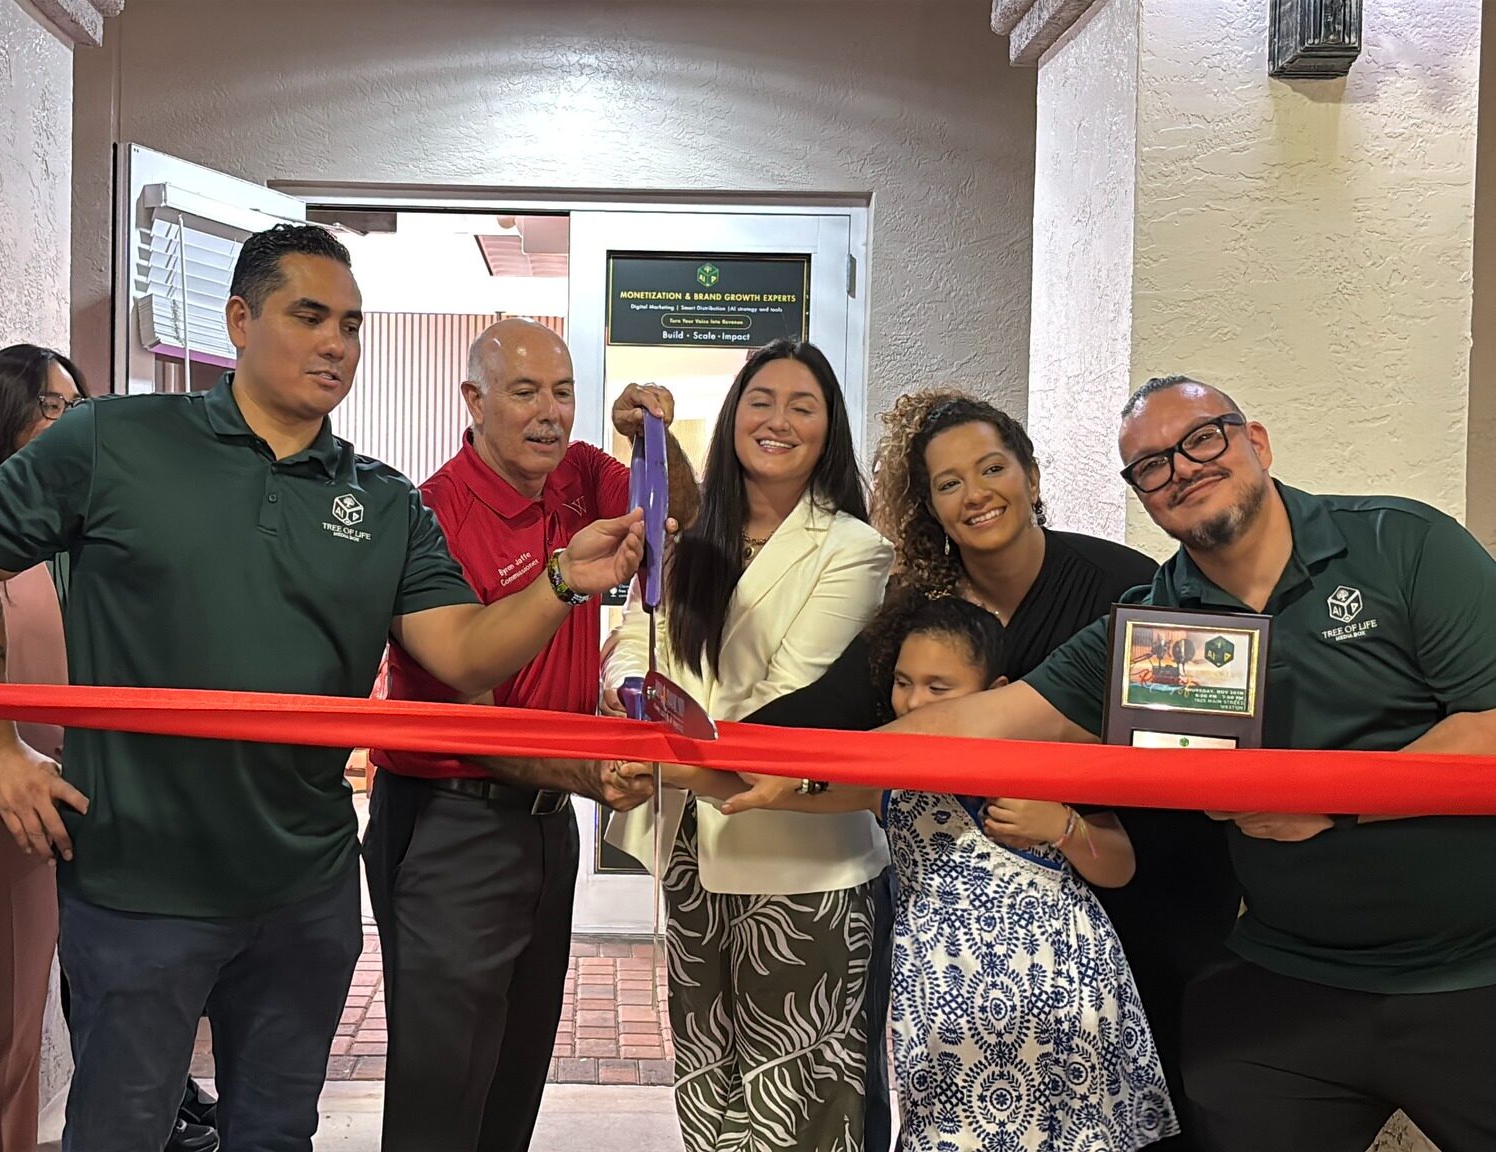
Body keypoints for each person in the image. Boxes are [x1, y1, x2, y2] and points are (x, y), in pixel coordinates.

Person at [0, 224, 647, 1151]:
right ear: (239, 320)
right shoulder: (114, 440)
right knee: (119, 1134)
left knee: (274, 1137)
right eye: (309, 316)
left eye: (350, 324)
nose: (335, 342)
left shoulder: (383, 501)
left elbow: (463, 653)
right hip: (141, 886)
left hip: (304, 894)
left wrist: (562, 580)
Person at [776, 375, 1496, 1152]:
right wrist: (771, 759)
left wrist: (1327, 802)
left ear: (1257, 442)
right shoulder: (1152, 622)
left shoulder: (1404, 545)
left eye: (1203, 439)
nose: (1180, 469)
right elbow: (991, 719)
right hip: (1292, 977)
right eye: (1150, 465)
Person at [737, 391, 1236, 1150]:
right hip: (968, 959)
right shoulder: (923, 619)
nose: (975, 494)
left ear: (1031, 475)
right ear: (930, 508)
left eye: (993, 468)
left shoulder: (1123, 584)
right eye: (948, 483)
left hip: (1142, 897)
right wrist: (707, 747)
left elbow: (1201, 722)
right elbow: (824, 716)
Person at [683, 589, 1177, 1150]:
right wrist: (671, 766)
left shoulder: (1042, 760)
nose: (915, 703)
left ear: (994, 693)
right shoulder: (883, 781)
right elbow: (762, 788)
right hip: (942, 998)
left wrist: (1062, 825)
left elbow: (1120, 866)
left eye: (939, 689)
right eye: (903, 682)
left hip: (1062, 995)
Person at [364, 318, 696, 1152]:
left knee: (513, 1088)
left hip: (547, 828)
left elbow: (678, 519)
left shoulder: (578, 473)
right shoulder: (432, 513)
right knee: (441, 1100)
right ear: (473, 401)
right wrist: (588, 771)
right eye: (525, 392)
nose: (550, 412)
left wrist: (651, 440)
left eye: (563, 392)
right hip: (450, 825)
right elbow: (464, 710)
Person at [0, 346, 218, 1152]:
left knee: (107, 1009)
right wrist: (11, 758)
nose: (69, 421)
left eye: (77, 406)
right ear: (0, 415)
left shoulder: (82, 534)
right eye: (49, 405)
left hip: (96, 798)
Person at [602, 338, 893, 1152]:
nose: (778, 420)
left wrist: (667, 741)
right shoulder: (694, 538)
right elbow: (638, 639)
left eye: (804, 406)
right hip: (689, 847)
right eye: (761, 401)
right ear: (734, 417)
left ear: (829, 429)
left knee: (800, 1095)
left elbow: (790, 698)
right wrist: (633, 699)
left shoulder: (855, 549)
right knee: (708, 1081)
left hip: (800, 858)